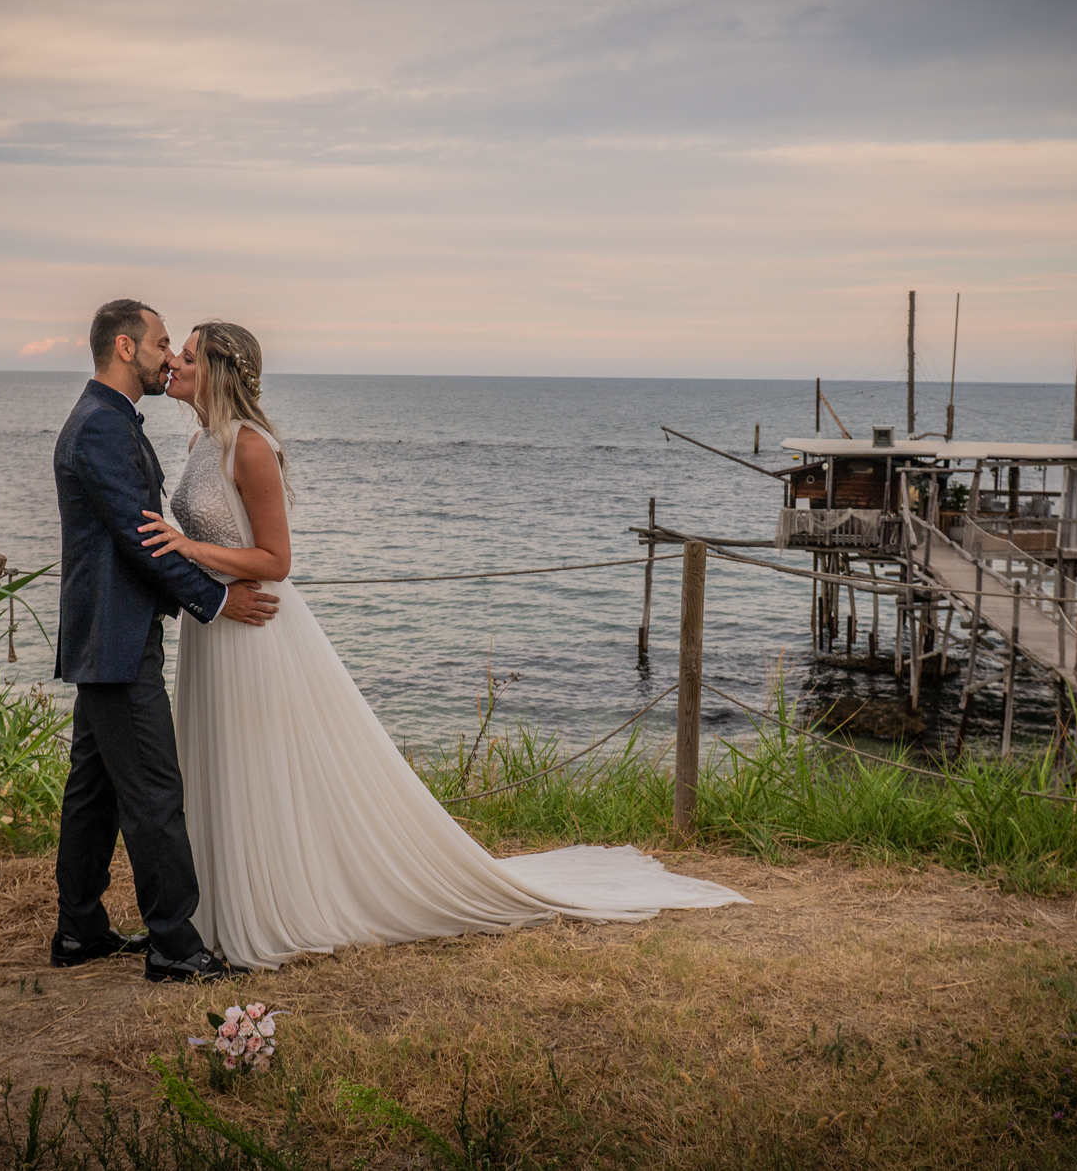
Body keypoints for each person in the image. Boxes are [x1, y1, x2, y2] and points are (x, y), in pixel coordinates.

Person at [136, 320, 746, 972]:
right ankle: (215, 906)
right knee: (221, 761)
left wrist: (189, 548)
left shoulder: (249, 446)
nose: (174, 360)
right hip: (215, 628)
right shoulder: (202, 439)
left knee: (258, 768)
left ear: (220, 371)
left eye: (189, 354)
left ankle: (269, 902)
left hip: (256, 626)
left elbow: (277, 558)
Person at [50, 299, 279, 983]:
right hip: (116, 637)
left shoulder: (109, 421)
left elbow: (149, 536)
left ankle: (80, 929)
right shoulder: (101, 429)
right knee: (153, 792)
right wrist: (214, 599)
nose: (168, 353)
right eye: (159, 341)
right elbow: (145, 540)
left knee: (93, 790)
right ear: (125, 347)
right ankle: (176, 946)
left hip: (107, 634)